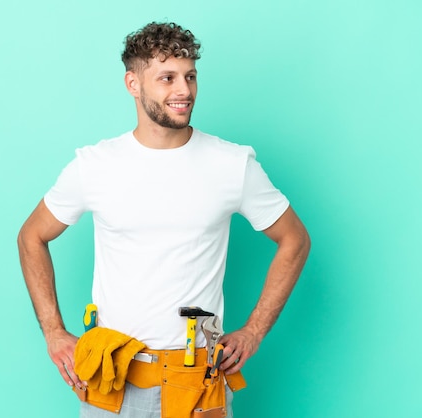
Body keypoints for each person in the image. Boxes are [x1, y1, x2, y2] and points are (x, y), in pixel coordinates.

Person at [17, 21, 311, 417]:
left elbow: (295, 239)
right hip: (110, 377)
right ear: (133, 84)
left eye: (190, 77)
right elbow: (31, 236)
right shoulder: (94, 166)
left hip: (196, 382)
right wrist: (54, 332)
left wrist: (254, 330)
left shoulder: (232, 164)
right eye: (167, 78)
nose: (184, 91)